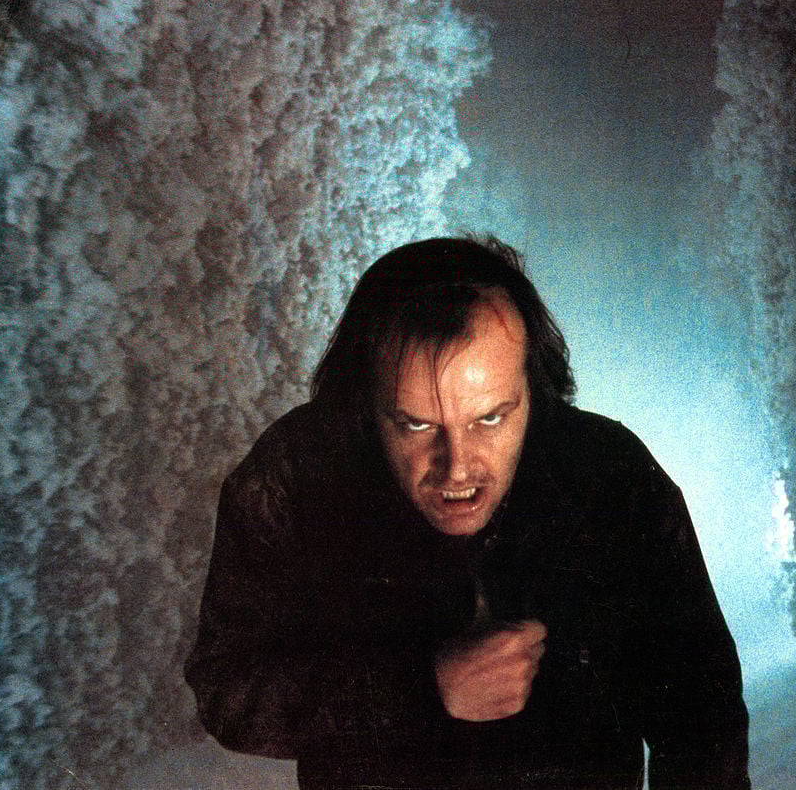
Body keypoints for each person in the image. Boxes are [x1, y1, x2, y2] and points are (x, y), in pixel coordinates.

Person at [185, 236, 750, 789]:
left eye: (490, 419)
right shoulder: (293, 476)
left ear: (534, 389)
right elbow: (226, 687)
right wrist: (419, 687)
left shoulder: (613, 477)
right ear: (364, 404)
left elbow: (701, 717)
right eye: (415, 424)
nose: (457, 468)